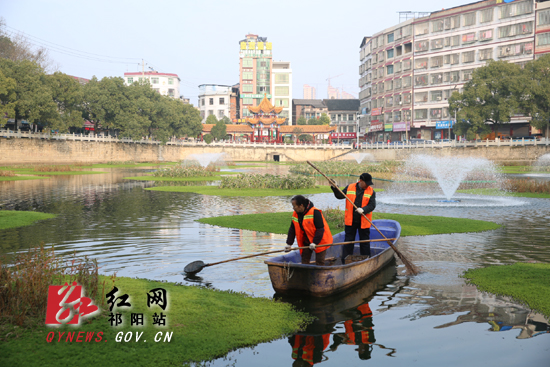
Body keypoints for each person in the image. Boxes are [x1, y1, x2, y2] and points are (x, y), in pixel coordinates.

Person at [330, 173, 376, 261]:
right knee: (348, 241)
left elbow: (372, 205)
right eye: (366, 183)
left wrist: (363, 209)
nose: (368, 185)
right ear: (361, 181)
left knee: (364, 242)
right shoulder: (350, 187)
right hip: (350, 221)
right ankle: (346, 260)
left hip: (364, 221)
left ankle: (366, 260)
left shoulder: (371, 191)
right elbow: (340, 196)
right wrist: (335, 187)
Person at [285, 195, 333, 265]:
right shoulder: (295, 214)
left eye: (294, 206)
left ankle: (320, 274)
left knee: (319, 261)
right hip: (307, 239)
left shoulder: (315, 212)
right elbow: (292, 229)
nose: (293, 208)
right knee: (304, 259)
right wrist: (289, 244)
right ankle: (305, 273)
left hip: (321, 240)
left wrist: (315, 242)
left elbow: (320, 229)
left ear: (301, 206)